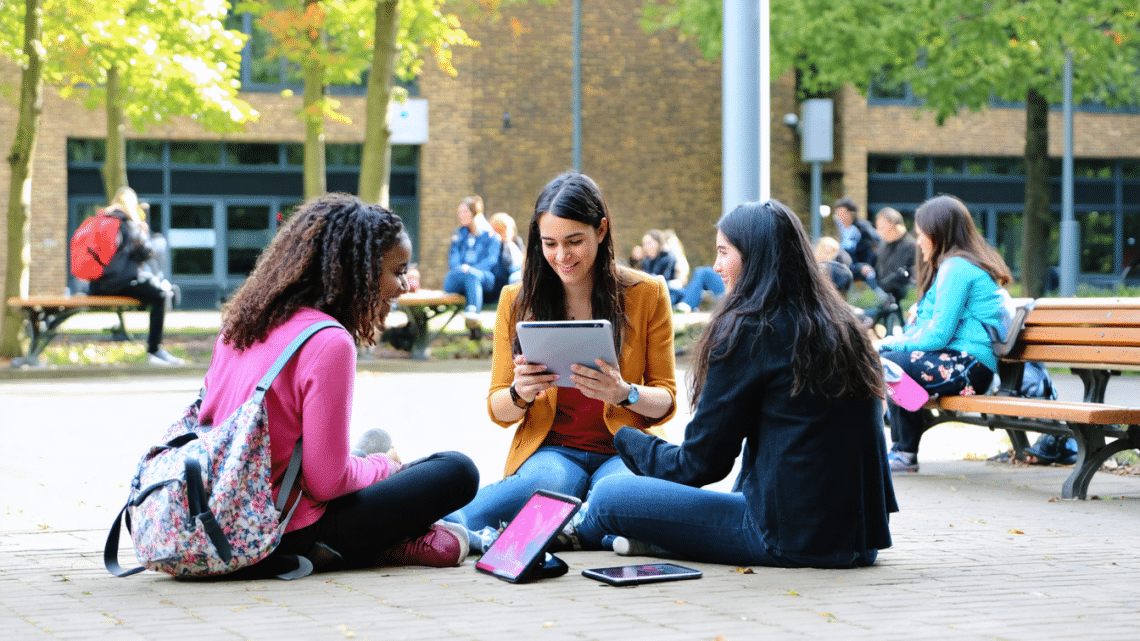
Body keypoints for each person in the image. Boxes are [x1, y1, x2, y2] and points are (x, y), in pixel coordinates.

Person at [568, 199, 897, 568]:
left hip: (787, 538)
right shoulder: (842, 325)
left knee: (611, 494)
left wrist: (624, 437)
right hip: (859, 540)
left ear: (756, 258)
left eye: (724, 252)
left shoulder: (752, 330)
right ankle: (653, 537)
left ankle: (582, 529)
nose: (717, 266)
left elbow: (698, 466)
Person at [200, 192, 480, 573]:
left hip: (222, 512)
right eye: (397, 272)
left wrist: (371, 460)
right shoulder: (328, 340)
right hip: (282, 529)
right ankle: (390, 541)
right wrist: (387, 468)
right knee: (457, 471)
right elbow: (326, 483)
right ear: (359, 273)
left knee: (376, 438)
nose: (405, 287)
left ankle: (408, 538)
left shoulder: (241, 324)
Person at [447, 172, 678, 549]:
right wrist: (520, 393)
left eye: (574, 242)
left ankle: (559, 528)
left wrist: (625, 393)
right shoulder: (517, 300)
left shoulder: (646, 294)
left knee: (616, 494)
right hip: (553, 451)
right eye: (549, 243)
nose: (561, 256)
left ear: (601, 231)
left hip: (625, 448)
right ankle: (599, 532)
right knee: (549, 484)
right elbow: (499, 409)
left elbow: (666, 400)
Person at [877, 195, 1011, 474]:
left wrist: (890, 341)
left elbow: (938, 335)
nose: (918, 241)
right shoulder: (951, 267)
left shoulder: (957, 268)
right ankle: (902, 450)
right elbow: (929, 327)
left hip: (970, 366)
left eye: (922, 234)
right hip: (962, 363)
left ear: (939, 234)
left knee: (890, 362)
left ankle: (903, 451)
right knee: (890, 362)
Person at [87, 186, 184, 366]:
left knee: (150, 291)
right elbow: (144, 253)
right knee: (161, 295)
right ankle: (155, 350)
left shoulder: (101, 220)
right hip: (120, 283)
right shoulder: (128, 222)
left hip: (97, 286)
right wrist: (144, 234)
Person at [444, 196, 503, 333]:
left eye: (464, 212)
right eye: (460, 212)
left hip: (483, 278)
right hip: (458, 276)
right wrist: (461, 268)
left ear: (475, 213)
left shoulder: (490, 236)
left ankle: (473, 314)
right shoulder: (458, 234)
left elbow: (491, 260)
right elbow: (453, 257)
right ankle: (473, 316)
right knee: (458, 277)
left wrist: (471, 269)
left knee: (472, 275)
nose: (461, 216)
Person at [833, 197, 887, 300]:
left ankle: (883, 298)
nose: (839, 216)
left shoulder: (862, 226)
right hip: (848, 266)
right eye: (838, 213)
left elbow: (878, 242)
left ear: (851, 213)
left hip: (864, 267)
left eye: (842, 212)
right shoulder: (840, 229)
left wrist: (868, 264)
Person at [873, 207, 917, 304]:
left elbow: (906, 276)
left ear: (893, 225)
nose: (878, 232)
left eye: (882, 228)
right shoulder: (884, 244)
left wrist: (881, 287)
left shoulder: (911, 246)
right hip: (885, 299)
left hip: (903, 301)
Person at [489, 211, 524, 289]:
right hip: (508, 277)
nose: (509, 232)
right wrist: (502, 243)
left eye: (510, 229)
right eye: (504, 229)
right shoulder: (497, 244)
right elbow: (505, 266)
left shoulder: (517, 241)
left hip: (522, 271)